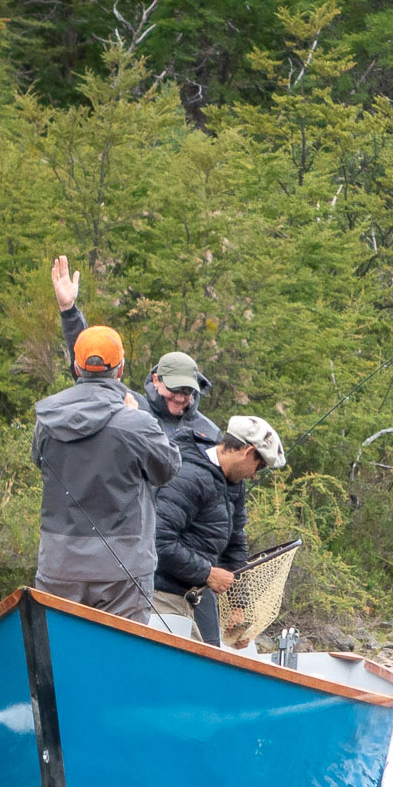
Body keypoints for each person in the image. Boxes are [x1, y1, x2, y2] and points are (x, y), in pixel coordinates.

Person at [31, 319, 179, 622]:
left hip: (59, 563)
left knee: (61, 654)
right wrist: (137, 419)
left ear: (76, 367)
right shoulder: (134, 422)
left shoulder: (47, 419)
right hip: (123, 569)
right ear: (120, 369)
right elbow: (168, 469)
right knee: (118, 658)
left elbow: (40, 462)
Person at [51, 256, 219, 447]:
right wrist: (69, 311)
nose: (180, 397)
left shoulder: (210, 433)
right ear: (156, 380)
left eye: (187, 391)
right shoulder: (131, 405)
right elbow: (93, 366)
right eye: (174, 389)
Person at [151, 416, 287, 643]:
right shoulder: (188, 476)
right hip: (162, 593)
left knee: (214, 657)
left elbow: (236, 544)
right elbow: (158, 542)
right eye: (259, 465)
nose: (255, 475)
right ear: (247, 451)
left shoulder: (235, 484)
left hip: (198, 594)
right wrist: (208, 573)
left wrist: (238, 606)